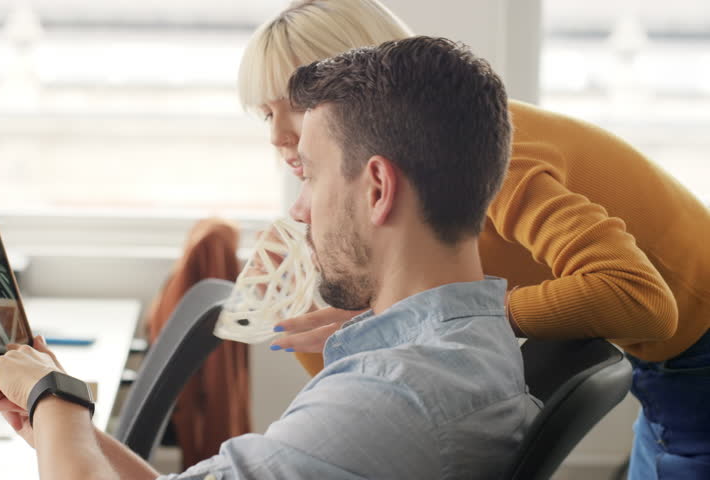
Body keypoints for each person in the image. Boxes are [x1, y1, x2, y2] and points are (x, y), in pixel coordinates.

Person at [0, 36, 541, 479]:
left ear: (377, 189)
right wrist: (59, 420)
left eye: (311, 176)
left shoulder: (390, 399)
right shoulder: (460, 351)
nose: (299, 211)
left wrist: (52, 400)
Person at [243, 1, 710, 478]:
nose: (280, 136)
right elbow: (356, 391)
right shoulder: (406, 185)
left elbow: (641, 298)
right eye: (266, 114)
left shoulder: (484, 158)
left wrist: (475, 313)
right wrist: (303, 302)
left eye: (299, 106)